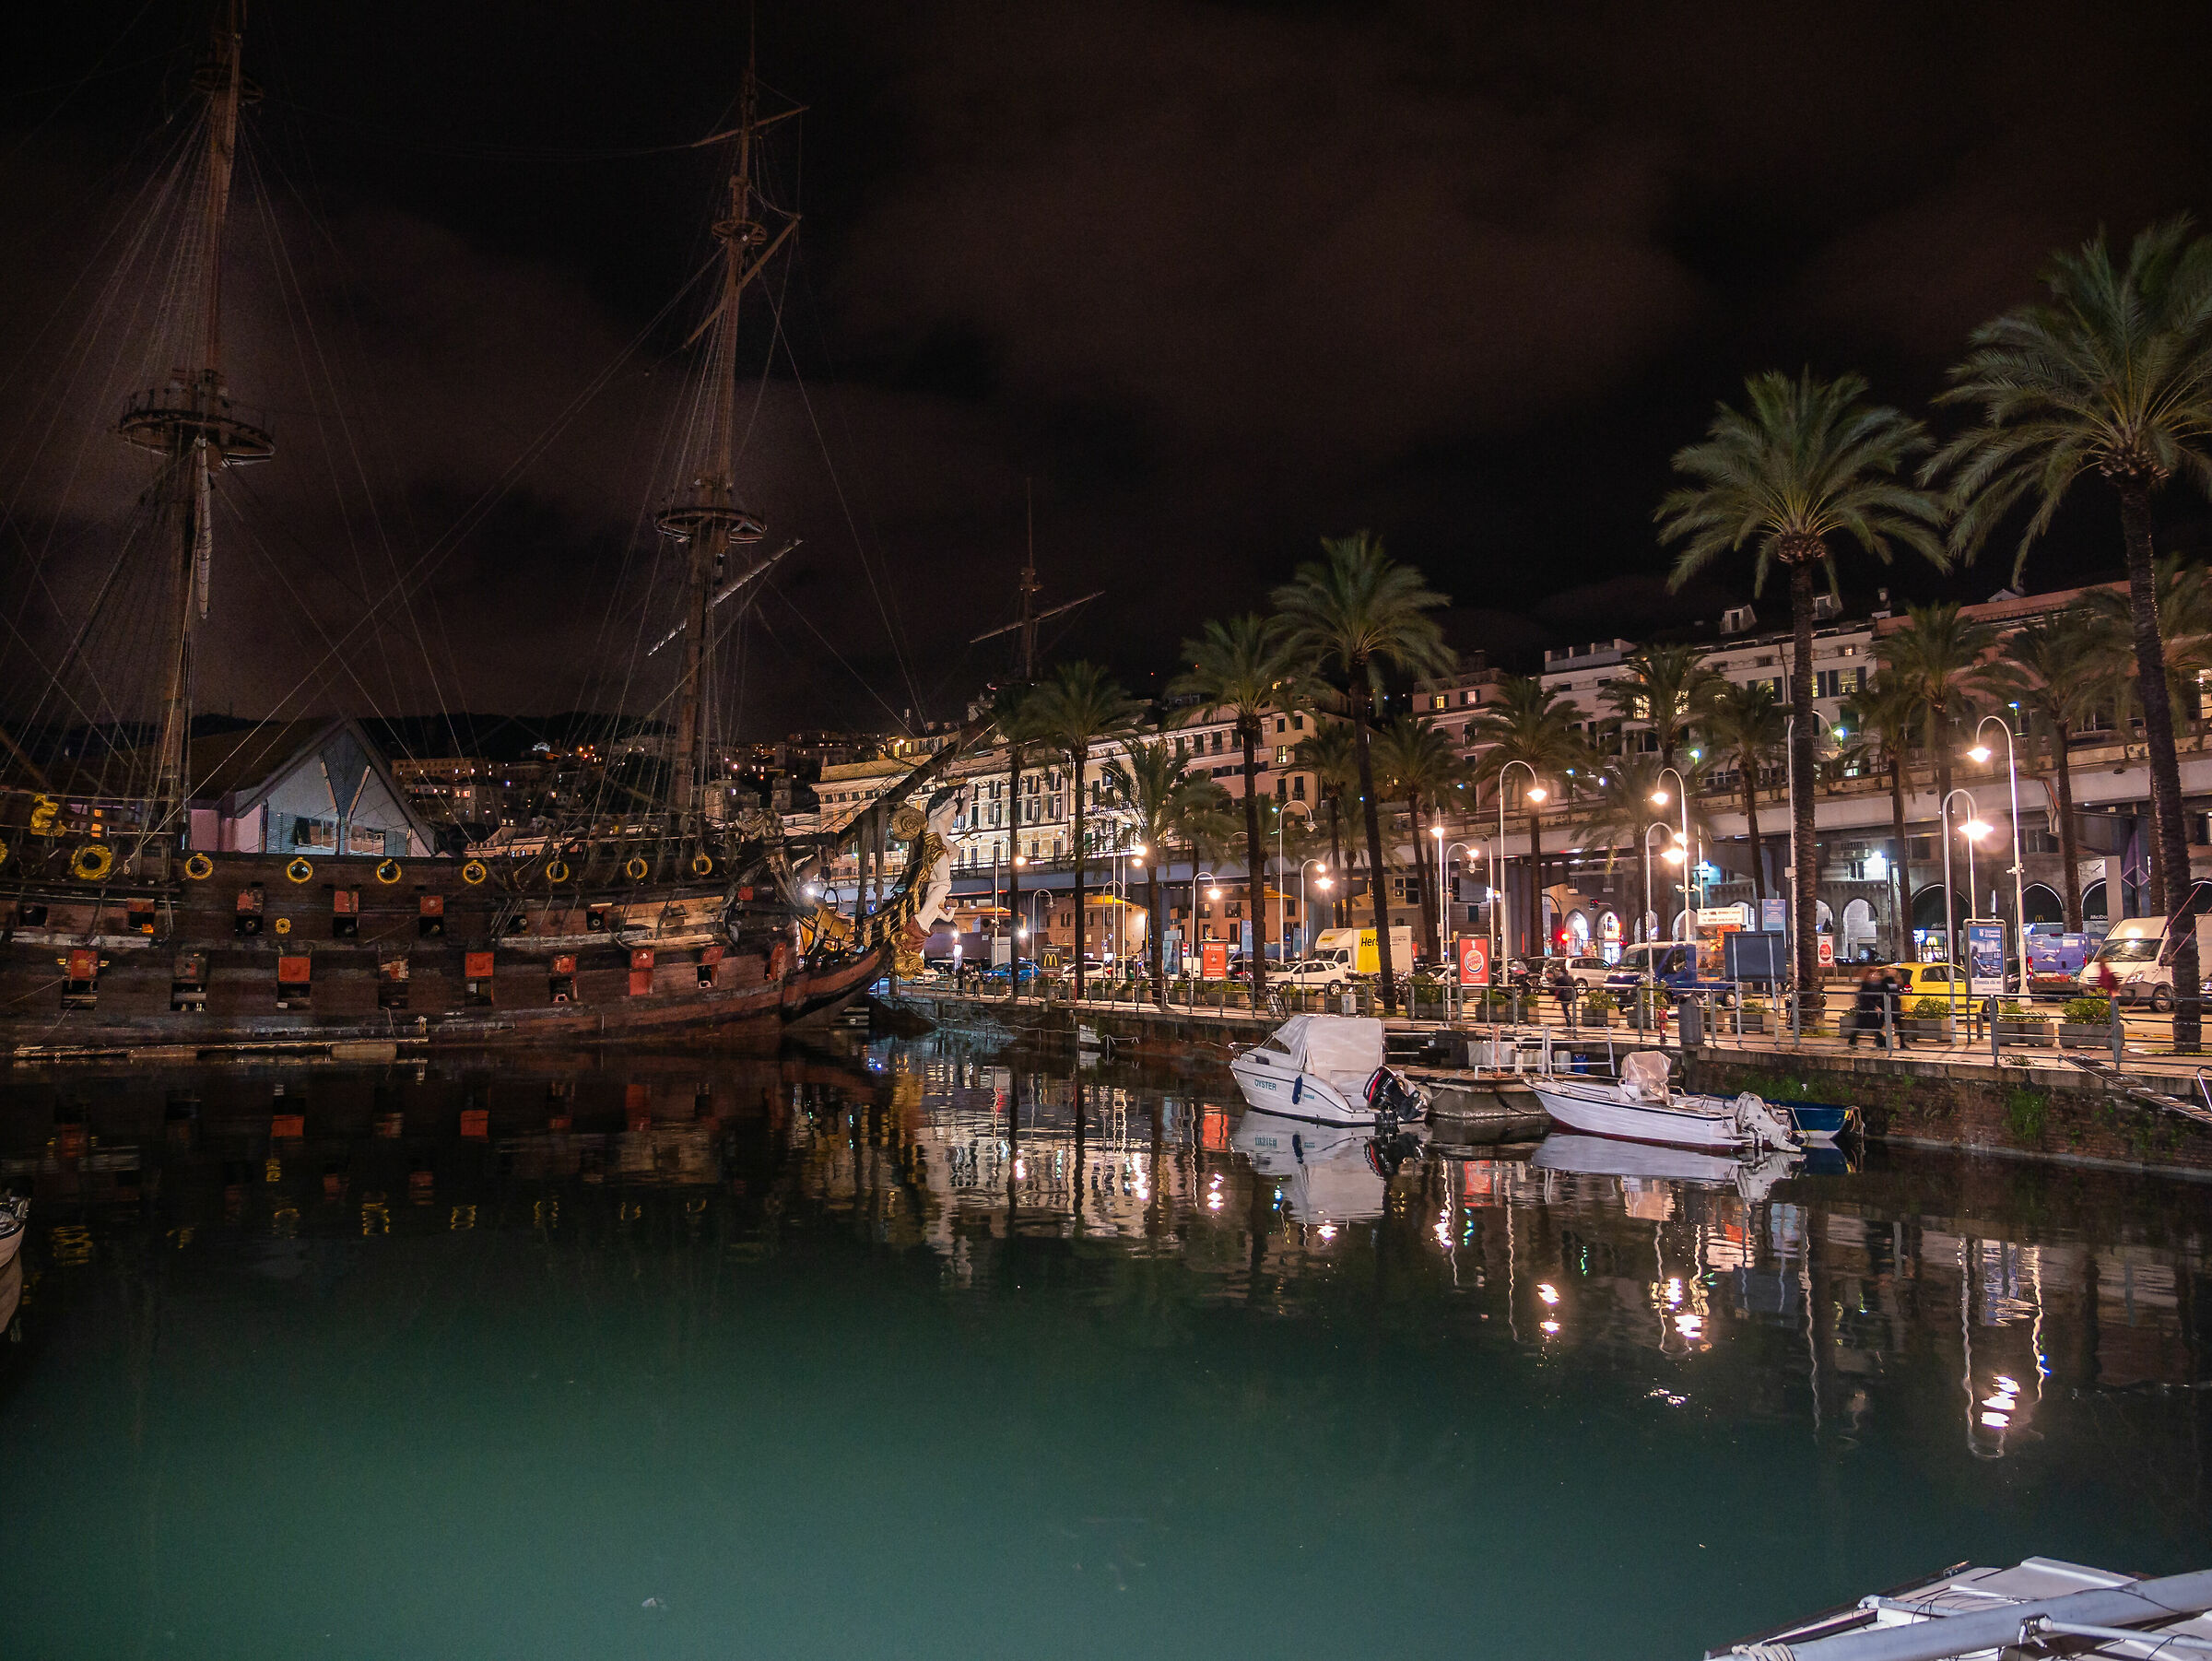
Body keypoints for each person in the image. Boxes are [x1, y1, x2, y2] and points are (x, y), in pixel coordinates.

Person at [1846, 965, 1885, 1048]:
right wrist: (1874, 1006)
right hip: (1867, 1008)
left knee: (1870, 1026)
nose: (1876, 975)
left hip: (1869, 1008)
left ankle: (1852, 1041)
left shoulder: (1873, 984)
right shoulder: (1866, 984)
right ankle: (1881, 1043)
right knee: (1869, 1025)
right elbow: (1865, 997)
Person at [1548, 957, 1577, 1029]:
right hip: (1571, 996)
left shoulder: (1561, 978)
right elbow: (1574, 985)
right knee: (1567, 1008)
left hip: (1565, 996)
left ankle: (1568, 1021)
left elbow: (1557, 987)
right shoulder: (1570, 977)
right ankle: (1570, 1021)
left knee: (1565, 1009)